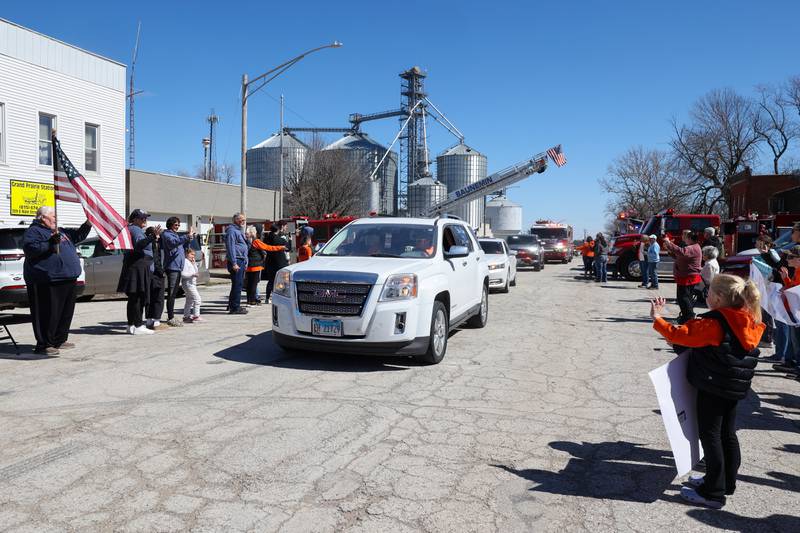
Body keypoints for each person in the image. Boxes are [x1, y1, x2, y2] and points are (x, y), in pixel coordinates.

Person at [650, 274, 764, 509]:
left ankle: (713, 492)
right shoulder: (748, 318)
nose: (706, 295)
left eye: (709, 292)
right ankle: (725, 482)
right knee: (727, 435)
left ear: (719, 298)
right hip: (733, 386)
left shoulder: (714, 322)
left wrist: (657, 318)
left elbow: (679, 335)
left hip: (713, 386)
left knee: (710, 436)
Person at [22, 206, 92, 355]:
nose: (56, 218)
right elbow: (30, 249)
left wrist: (88, 224)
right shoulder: (34, 231)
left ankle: (59, 339)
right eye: (53, 216)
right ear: (42, 218)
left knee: (65, 313)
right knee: (48, 313)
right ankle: (44, 344)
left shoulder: (60, 231)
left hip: (68, 277)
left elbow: (78, 236)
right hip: (47, 280)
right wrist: (50, 243)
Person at [118, 209, 161, 335]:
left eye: (145, 218)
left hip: (135, 266)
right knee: (138, 297)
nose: (145, 220)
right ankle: (137, 325)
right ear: (135, 219)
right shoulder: (135, 230)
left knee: (134, 297)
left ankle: (131, 325)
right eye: (142, 218)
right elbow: (139, 245)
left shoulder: (133, 229)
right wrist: (152, 237)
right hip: (136, 267)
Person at [161, 217, 195, 327]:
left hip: (178, 267)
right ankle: (170, 317)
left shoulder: (175, 235)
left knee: (174, 292)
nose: (178, 227)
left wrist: (189, 239)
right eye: (176, 225)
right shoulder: (167, 235)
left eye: (179, 225)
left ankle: (172, 316)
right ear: (170, 225)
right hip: (172, 267)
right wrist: (186, 236)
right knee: (171, 293)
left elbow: (182, 245)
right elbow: (173, 243)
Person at [662, 230, 702, 323]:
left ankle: (689, 316)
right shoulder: (692, 247)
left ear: (690, 238)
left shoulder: (693, 247)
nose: (684, 239)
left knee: (683, 298)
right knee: (684, 297)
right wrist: (669, 248)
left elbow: (681, 252)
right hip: (686, 276)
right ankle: (687, 315)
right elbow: (679, 256)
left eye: (686, 237)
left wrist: (668, 242)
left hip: (688, 276)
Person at [773, 245, 800, 375]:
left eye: (790, 257)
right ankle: (793, 364)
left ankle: (796, 367)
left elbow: (796, 291)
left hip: (797, 312)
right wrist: (786, 280)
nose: (787, 260)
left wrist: (786, 284)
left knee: (797, 340)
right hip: (794, 311)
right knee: (794, 340)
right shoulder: (797, 271)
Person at [244, 226, 286, 305]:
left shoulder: (247, 241)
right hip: (255, 265)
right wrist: (280, 247)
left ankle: (250, 299)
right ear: (254, 233)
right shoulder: (256, 241)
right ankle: (252, 300)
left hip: (249, 265)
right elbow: (268, 247)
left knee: (249, 283)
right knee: (254, 283)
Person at [225, 213, 249, 314]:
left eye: (244, 220)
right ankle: (235, 307)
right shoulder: (232, 231)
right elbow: (231, 247)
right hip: (237, 260)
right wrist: (234, 263)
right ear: (235, 220)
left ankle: (232, 305)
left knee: (237, 284)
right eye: (241, 220)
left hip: (241, 260)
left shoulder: (239, 230)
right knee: (237, 285)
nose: (243, 221)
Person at [263, 221, 290, 302]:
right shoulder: (280, 240)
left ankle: (267, 297)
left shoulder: (266, 239)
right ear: (278, 230)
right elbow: (289, 247)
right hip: (280, 262)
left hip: (269, 261)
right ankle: (280, 296)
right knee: (281, 280)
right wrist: (290, 240)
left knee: (271, 280)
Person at [145, 226, 165, 330]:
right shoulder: (150, 245)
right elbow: (156, 259)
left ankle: (153, 319)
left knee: (155, 297)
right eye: (156, 234)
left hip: (157, 272)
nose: (158, 237)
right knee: (154, 297)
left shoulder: (159, 243)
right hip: (154, 273)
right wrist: (162, 271)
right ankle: (152, 320)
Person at [181, 248, 202, 323]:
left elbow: (196, 271)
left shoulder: (190, 262)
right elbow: (183, 274)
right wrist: (192, 274)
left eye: (194, 255)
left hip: (191, 283)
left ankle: (186, 316)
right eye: (191, 254)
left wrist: (194, 264)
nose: (193, 256)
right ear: (187, 254)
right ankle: (196, 315)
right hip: (188, 283)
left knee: (189, 300)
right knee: (197, 299)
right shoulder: (185, 262)